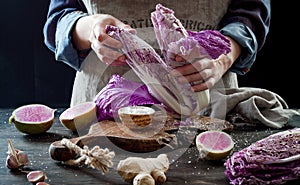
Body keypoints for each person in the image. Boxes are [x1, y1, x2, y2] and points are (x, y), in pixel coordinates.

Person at [43, 0, 271, 109]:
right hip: (101, 110)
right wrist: (91, 29)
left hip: (209, 104)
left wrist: (223, 57)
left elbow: (250, 12)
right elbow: (60, 18)